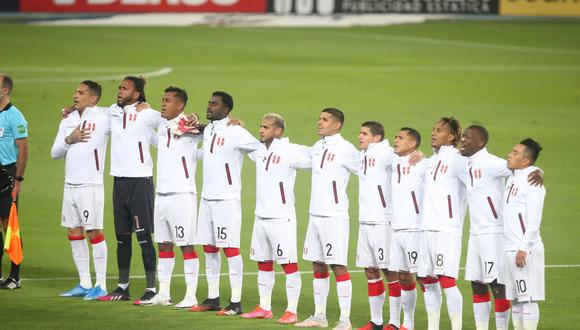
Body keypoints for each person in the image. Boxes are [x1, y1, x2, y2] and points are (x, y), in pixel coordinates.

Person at [460, 125, 543, 330]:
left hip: (497, 236)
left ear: (480, 142)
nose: (463, 140)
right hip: (477, 235)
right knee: (479, 284)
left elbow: (527, 169)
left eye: (467, 137)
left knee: (503, 288)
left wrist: (537, 170)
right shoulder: (466, 163)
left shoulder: (492, 164)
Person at [191, 91, 260, 315]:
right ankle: (212, 298)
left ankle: (236, 302)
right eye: (209, 102)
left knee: (230, 248)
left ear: (227, 109)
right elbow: (204, 130)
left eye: (214, 104)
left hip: (227, 199)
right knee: (209, 248)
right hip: (207, 198)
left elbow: (260, 146)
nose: (209, 106)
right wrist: (198, 125)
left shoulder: (236, 131)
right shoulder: (210, 129)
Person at [97, 76, 164, 305]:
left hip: (140, 181)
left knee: (144, 236)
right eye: (119, 87)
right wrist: (70, 111)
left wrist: (197, 123)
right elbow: (94, 111)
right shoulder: (113, 112)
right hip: (119, 181)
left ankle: (152, 288)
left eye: (124, 89)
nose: (119, 91)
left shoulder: (147, 113)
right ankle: (122, 287)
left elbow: (171, 121)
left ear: (136, 95)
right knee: (122, 237)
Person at [240, 113, 310, 324]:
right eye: (260, 126)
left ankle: (292, 310)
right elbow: (244, 143)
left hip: (282, 218)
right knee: (263, 263)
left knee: (288, 264)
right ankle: (264, 307)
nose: (261, 130)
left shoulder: (290, 151)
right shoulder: (259, 150)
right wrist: (239, 126)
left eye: (266, 127)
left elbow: (316, 159)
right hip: (260, 217)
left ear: (277, 131)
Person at [296, 108, 359, 330]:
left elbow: (368, 169)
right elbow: (301, 154)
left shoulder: (346, 149)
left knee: (338, 265)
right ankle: (319, 316)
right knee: (317, 264)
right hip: (315, 215)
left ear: (337, 125)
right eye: (319, 118)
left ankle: (345, 319)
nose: (319, 122)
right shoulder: (318, 146)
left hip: (334, 216)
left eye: (324, 120)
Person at [140, 87, 202, 308]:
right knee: (164, 245)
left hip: (182, 194)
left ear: (180, 105)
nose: (163, 104)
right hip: (162, 194)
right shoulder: (164, 126)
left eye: (167, 101)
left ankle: (191, 295)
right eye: (162, 100)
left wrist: (196, 121)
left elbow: (209, 131)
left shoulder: (190, 126)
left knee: (186, 245)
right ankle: (164, 293)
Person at [50, 81, 110, 300]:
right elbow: (55, 153)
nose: (75, 95)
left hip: (90, 186)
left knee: (94, 233)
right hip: (70, 186)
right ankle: (85, 283)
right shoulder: (69, 120)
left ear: (93, 98)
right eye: (75, 91)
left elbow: (121, 111)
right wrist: (69, 139)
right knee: (74, 232)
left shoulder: (103, 118)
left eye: (81, 93)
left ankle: (101, 285)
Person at [417, 117, 467, 330]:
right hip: (427, 227)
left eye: (439, 130)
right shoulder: (432, 160)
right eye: (433, 129)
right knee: (427, 280)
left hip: (446, 229)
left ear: (452, 136)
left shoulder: (459, 159)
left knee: (447, 280)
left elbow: (488, 170)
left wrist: (534, 172)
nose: (433, 133)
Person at [354, 121, 401, 330]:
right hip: (365, 221)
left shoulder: (387, 152)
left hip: (383, 220)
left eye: (364, 133)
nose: (359, 136)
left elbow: (407, 159)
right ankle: (376, 321)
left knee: (389, 272)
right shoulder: (363, 154)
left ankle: (394, 321)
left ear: (377, 137)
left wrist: (418, 156)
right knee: (370, 270)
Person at [503, 138, 545, 330]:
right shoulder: (513, 177)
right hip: (510, 248)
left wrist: (524, 248)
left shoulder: (532, 182)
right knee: (517, 300)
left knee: (527, 298)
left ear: (526, 161)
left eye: (514, 152)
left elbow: (534, 220)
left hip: (524, 249)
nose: (509, 155)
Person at [389, 127, 429, 330]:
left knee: (424, 277)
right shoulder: (392, 160)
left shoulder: (423, 163)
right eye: (395, 137)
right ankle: (408, 324)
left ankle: (434, 322)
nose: (395, 140)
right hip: (396, 228)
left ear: (413, 144)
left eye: (400, 138)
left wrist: (423, 154)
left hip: (415, 228)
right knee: (403, 276)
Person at [0, 74, 28, 290]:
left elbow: (23, 149)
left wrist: (17, 180)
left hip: (7, 176)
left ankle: (15, 277)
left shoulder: (15, 117)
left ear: (5, 91)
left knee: (8, 227)